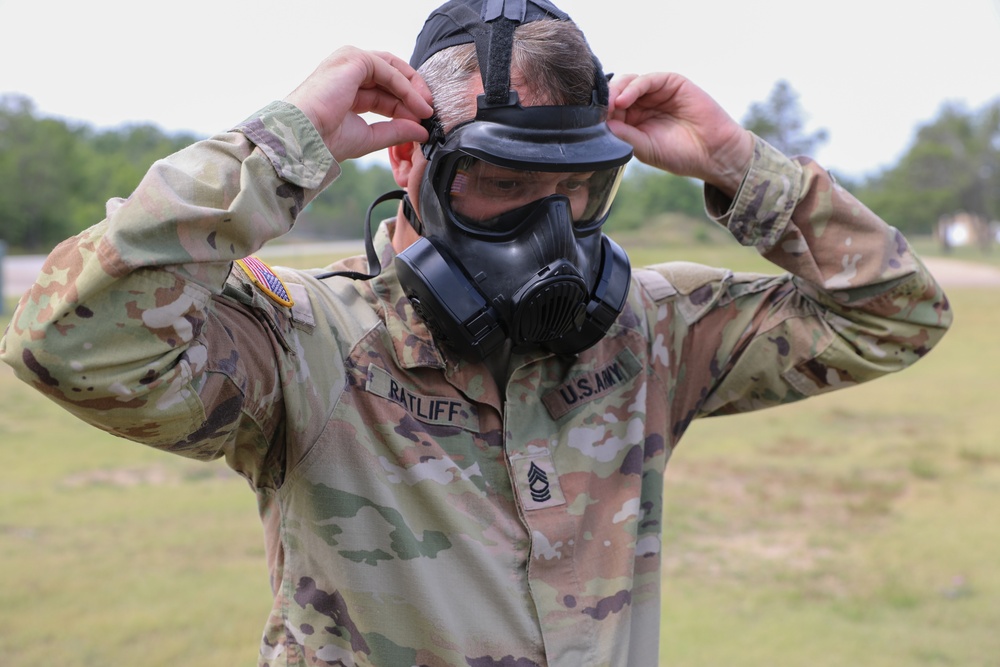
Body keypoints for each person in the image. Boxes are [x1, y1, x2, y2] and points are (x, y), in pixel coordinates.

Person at [0, 0, 951, 665]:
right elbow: (67, 342)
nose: (549, 232)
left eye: (577, 192)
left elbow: (897, 313)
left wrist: (746, 168)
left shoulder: (646, 329)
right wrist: (282, 146)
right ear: (411, 158)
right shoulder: (308, 341)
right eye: (499, 186)